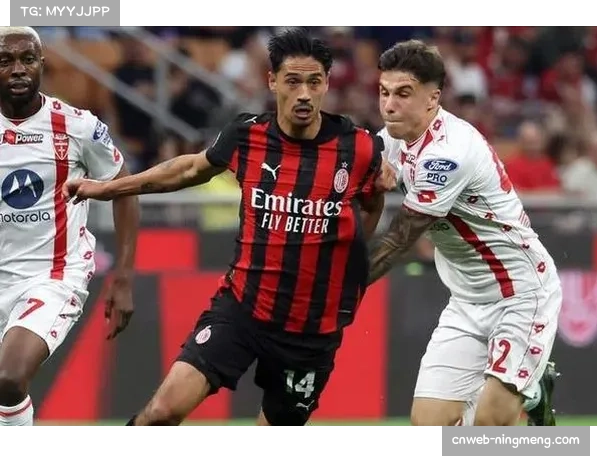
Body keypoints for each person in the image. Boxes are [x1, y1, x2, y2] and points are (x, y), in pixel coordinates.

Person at [64, 27, 386, 426]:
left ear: (326, 84)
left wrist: (346, 262)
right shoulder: (246, 135)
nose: (304, 93)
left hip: (311, 330)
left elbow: (372, 201)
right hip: (242, 310)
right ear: (272, 81)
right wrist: (108, 188)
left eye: (314, 82)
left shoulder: (359, 148)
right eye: (292, 81)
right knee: (162, 412)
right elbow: (187, 169)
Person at [370, 40, 561, 427]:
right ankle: (533, 390)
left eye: (403, 93)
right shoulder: (390, 140)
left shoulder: (448, 151)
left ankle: (534, 407)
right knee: (428, 426)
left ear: (432, 98)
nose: (389, 105)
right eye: (384, 92)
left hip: (522, 294)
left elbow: (400, 237)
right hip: (466, 301)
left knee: (489, 427)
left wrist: (340, 290)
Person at [0, 27, 140, 426]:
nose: (18, 69)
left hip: (54, 276)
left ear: (42, 65)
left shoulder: (77, 125)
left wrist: (124, 276)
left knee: (9, 378)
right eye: (5, 61)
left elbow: (125, 189)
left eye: (28, 59)